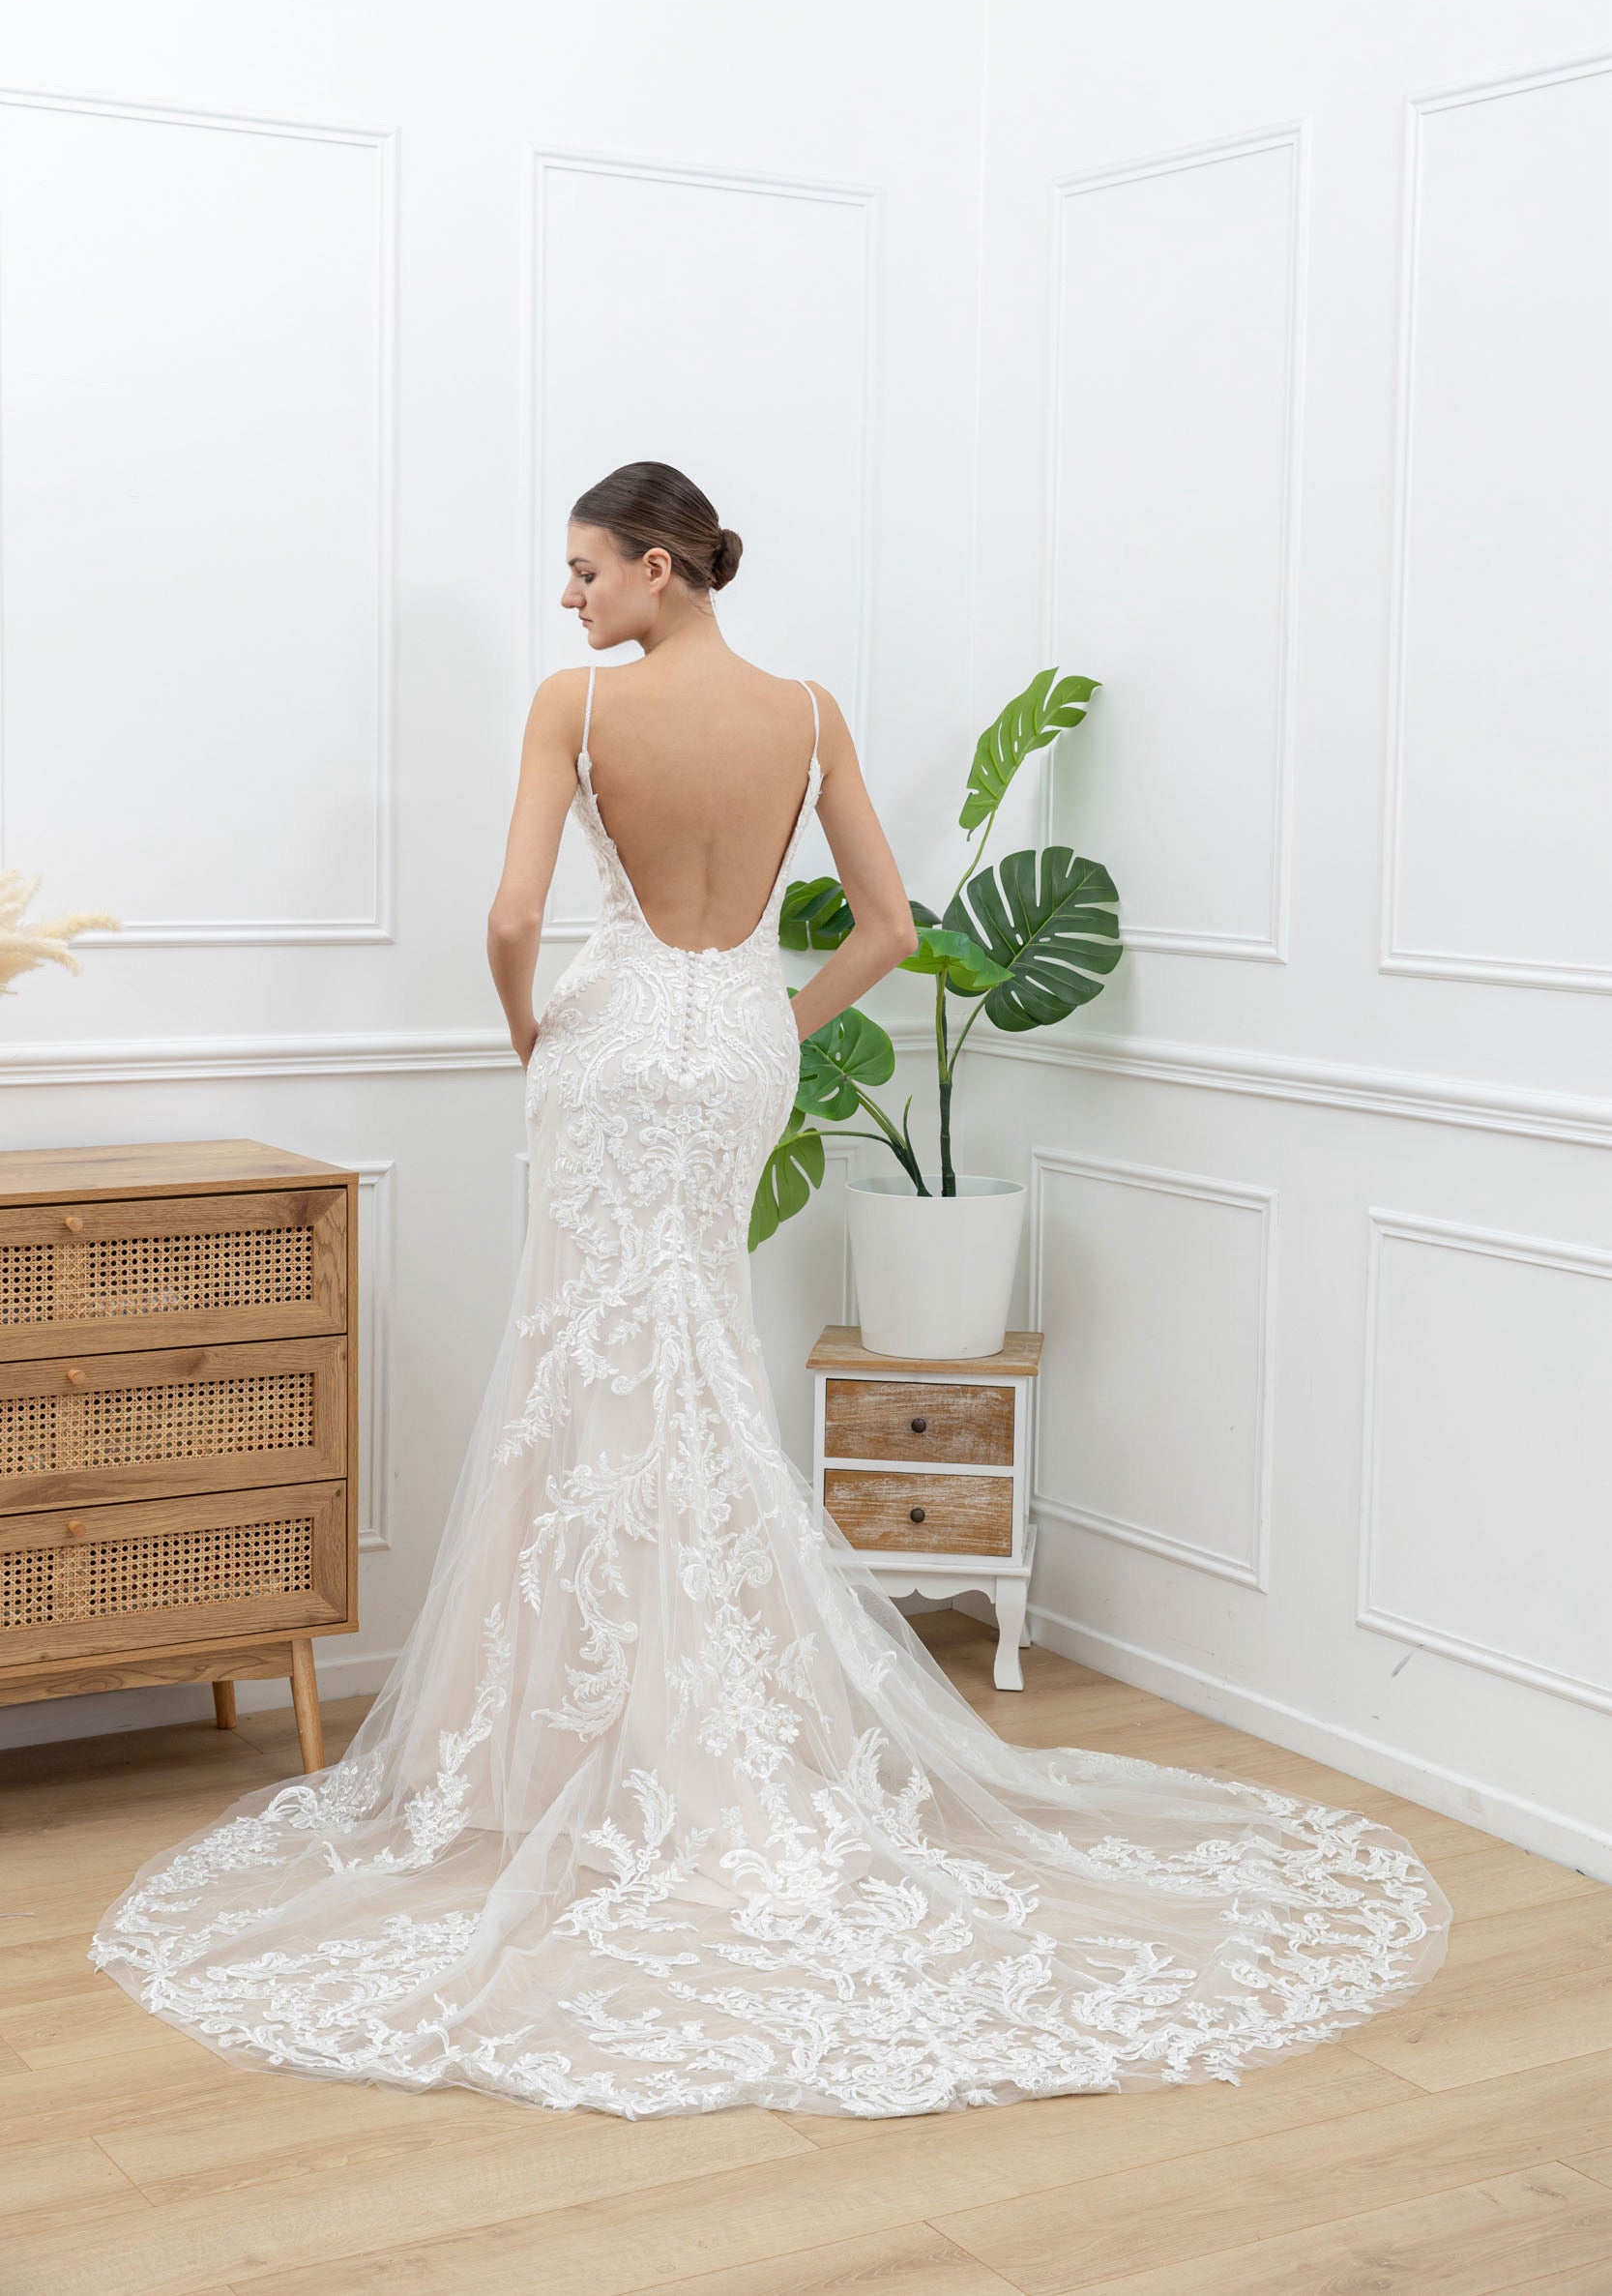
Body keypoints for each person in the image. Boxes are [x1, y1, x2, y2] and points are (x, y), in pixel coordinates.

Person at [89, 461, 1451, 2119]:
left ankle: (579, 1738)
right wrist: (767, 1031)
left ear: (660, 568)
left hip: (608, 1051)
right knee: (694, 1355)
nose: (569, 598)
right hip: (736, 1052)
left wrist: (530, 1033)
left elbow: (512, 915)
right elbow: (886, 929)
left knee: (593, 1362)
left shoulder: (578, 707)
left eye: (585, 569)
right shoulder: (806, 712)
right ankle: (689, 1721)